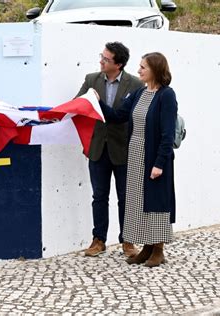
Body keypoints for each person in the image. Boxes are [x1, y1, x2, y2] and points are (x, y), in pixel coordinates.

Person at [96, 52, 177, 267]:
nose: (139, 70)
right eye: (140, 66)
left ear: (156, 71)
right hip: (135, 155)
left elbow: (167, 134)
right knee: (139, 201)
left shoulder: (166, 95)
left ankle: (158, 249)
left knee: (156, 202)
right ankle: (147, 248)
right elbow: (118, 116)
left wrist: (159, 163)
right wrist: (98, 103)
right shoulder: (140, 92)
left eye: (143, 67)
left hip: (154, 156)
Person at [76, 42, 144, 257]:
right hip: (97, 148)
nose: (101, 61)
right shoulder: (91, 80)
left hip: (123, 149)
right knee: (99, 196)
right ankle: (98, 240)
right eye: (101, 57)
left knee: (125, 197)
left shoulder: (135, 84)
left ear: (119, 64)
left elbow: (135, 116)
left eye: (106, 59)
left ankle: (127, 241)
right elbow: (77, 105)